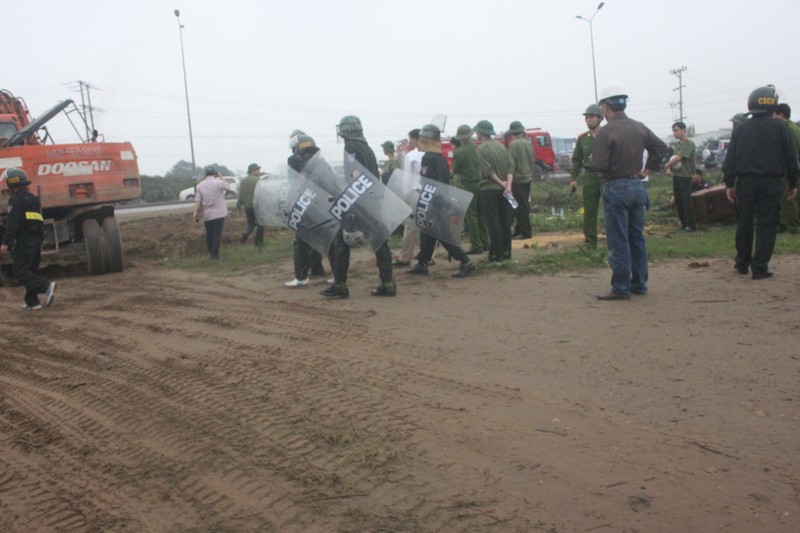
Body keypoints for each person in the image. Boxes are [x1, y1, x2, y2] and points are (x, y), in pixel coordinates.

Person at [591, 82, 668, 300]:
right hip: (637, 186)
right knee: (637, 238)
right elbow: (661, 148)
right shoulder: (639, 126)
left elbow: (598, 164)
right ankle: (640, 284)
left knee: (618, 239)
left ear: (606, 107)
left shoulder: (605, 132)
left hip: (615, 187)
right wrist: (647, 169)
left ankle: (621, 287)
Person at [723, 85, 799, 279]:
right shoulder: (780, 127)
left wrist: (729, 184)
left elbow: (730, 159)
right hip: (771, 183)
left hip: (746, 183)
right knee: (767, 224)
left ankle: (742, 262)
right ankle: (760, 266)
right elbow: (791, 157)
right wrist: (793, 182)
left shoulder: (740, 128)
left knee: (745, 222)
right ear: (772, 105)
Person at [321, 115, 395, 298]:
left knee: (340, 241)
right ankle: (388, 283)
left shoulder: (351, 147)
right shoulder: (367, 148)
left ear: (346, 131)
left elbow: (353, 175)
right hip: (372, 200)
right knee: (379, 241)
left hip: (359, 201)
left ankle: (340, 286)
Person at [406, 124, 477, 278]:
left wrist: (426, 200)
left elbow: (428, 182)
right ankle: (422, 263)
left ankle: (466, 262)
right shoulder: (440, 158)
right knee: (427, 232)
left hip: (433, 201)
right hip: (441, 199)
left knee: (441, 234)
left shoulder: (427, 158)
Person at [0, 168, 56, 310]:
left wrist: (6, 242)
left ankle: (46, 286)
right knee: (31, 271)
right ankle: (32, 302)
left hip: (23, 242)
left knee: (20, 273)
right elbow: (40, 220)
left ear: (11, 183)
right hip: (35, 240)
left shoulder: (16, 199)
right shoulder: (33, 198)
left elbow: (12, 223)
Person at [287, 129, 326, 279]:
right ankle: (317, 268)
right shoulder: (319, 161)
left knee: (301, 239)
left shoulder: (293, 160)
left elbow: (292, 182)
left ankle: (302, 273)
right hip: (317, 203)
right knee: (315, 237)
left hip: (303, 202)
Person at [474, 120, 514, 262]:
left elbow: (487, 170)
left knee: (493, 222)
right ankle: (507, 252)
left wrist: (500, 182)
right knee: (505, 221)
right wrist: (507, 185)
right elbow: (510, 166)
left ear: (480, 133)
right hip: (505, 190)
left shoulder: (480, 149)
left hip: (489, 189)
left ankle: (496, 254)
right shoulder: (501, 146)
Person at [569, 104, 604, 249]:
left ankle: (615, 240)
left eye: (591, 117)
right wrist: (574, 178)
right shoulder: (583, 139)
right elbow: (577, 160)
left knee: (612, 209)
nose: (588, 120)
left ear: (600, 118)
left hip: (607, 176)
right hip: (590, 176)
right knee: (589, 211)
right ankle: (590, 242)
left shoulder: (608, 134)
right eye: (586, 118)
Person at [451, 124, 488, 254]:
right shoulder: (477, 148)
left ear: (460, 138)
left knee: (471, 215)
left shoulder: (459, 152)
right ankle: (485, 242)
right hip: (482, 184)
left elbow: (455, 170)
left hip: (468, 185)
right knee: (482, 214)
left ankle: (476, 244)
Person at [393, 128, 423, 267]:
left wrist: (404, 195)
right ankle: (427, 255)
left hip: (414, 193)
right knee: (428, 226)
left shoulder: (411, 156)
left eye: (410, 139)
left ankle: (405, 257)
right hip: (429, 192)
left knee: (411, 226)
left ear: (416, 139)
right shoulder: (430, 153)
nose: (409, 142)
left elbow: (407, 178)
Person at [193, 165, 231, 260]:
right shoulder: (218, 182)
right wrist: (221, 177)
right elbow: (228, 187)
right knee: (216, 234)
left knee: (209, 234)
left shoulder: (200, 186)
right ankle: (215, 254)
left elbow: (198, 201)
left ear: (206, 174)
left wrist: (195, 212)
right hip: (219, 213)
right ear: (215, 173)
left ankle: (211, 252)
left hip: (207, 214)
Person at [665, 121, 697, 231]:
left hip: (686, 175)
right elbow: (673, 158)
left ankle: (691, 224)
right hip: (677, 175)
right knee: (678, 200)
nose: (675, 133)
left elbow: (679, 157)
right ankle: (683, 223)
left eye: (677, 130)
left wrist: (667, 165)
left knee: (686, 200)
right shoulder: (678, 145)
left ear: (684, 130)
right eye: (673, 131)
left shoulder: (688, 143)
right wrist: (669, 168)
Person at [774, 103, 800, 234]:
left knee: (790, 199)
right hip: (793, 168)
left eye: (774, 114)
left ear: (781, 115)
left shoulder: (787, 129)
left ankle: (792, 227)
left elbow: (792, 152)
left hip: (790, 169)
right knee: (786, 199)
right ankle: (784, 224)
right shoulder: (793, 127)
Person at [507, 120, 535, 240]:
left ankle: (525, 232)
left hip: (518, 180)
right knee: (524, 205)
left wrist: (509, 179)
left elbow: (511, 163)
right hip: (528, 178)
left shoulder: (513, 145)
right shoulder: (528, 143)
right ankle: (519, 230)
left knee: (520, 207)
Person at [237, 163, 265, 247]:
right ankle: (258, 243)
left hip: (248, 207)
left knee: (251, 224)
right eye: (257, 169)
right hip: (257, 206)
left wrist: (239, 205)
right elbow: (262, 193)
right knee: (261, 224)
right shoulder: (257, 180)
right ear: (253, 171)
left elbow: (241, 195)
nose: (259, 171)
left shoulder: (243, 181)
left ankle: (243, 238)